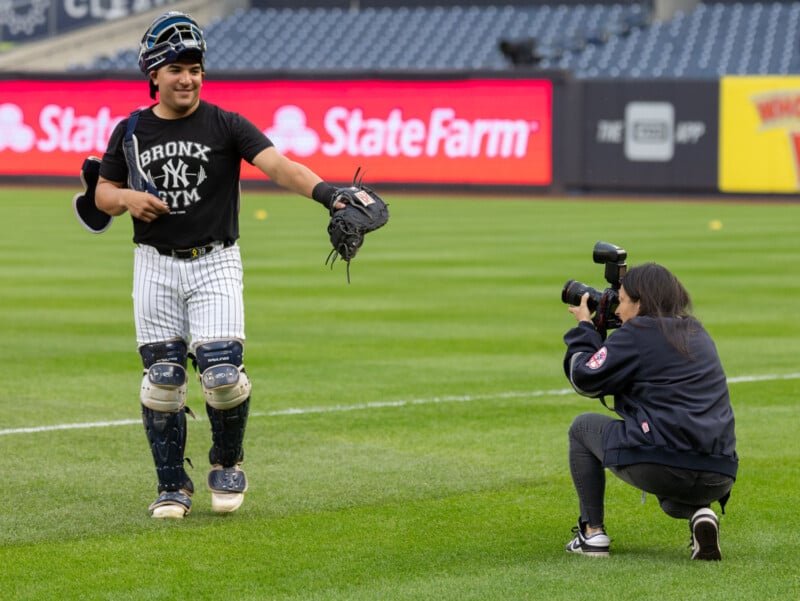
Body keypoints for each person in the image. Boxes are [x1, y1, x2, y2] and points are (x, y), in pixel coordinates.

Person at [94, 11, 345, 518]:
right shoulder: (131, 130)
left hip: (215, 262)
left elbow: (279, 165)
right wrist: (126, 198)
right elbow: (100, 194)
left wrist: (329, 194)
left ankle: (226, 460)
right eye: (176, 68)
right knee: (163, 377)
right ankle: (172, 486)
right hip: (155, 265)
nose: (187, 78)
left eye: (195, 68)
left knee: (224, 374)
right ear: (154, 75)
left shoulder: (225, 123)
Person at [562, 262, 738, 560]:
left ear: (640, 301)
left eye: (623, 300)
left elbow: (583, 378)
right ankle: (701, 513)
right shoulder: (697, 331)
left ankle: (592, 534)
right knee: (672, 500)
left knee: (582, 428)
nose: (617, 310)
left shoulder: (637, 334)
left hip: (665, 465)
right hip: (719, 474)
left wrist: (585, 330)